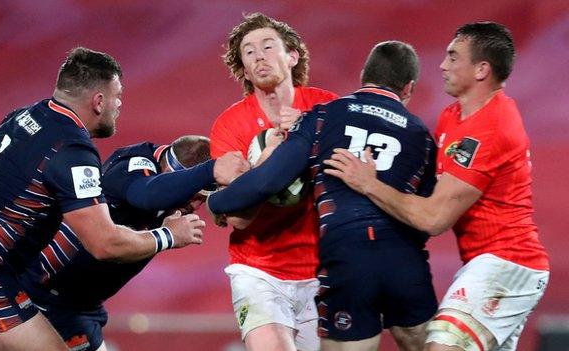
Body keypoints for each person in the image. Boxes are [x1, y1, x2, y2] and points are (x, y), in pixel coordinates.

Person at [0, 47, 205, 351]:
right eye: (117, 96)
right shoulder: (73, 151)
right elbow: (104, 243)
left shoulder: (23, 115)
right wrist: (168, 236)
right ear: (98, 102)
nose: (119, 104)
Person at [324, 22, 550, 351]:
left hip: (508, 263)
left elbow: (433, 218)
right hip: (483, 263)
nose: (443, 65)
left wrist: (368, 184)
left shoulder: (492, 128)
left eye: (454, 57)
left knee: (442, 346)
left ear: (482, 69)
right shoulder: (451, 116)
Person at [208, 41, 438, 351]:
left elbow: (266, 181)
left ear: (362, 75)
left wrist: (217, 202)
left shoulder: (325, 115)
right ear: (409, 88)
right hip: (404, 263)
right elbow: (424, 217)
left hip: (347, 257)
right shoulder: (421, 135)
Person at [15, 136, 248, 351]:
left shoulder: (170, 194)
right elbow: (145, 196)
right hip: (39, 292)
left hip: (82, 306)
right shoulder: (133, 165)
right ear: (172, 172)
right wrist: (168, 235)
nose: (195, 206)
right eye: (194, 195)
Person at [209, 12, 338, 351]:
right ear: (244, 68)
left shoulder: (328, 109)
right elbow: (237, 216)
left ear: (292, 56)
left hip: (323, 270)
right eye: (249, 52)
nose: (259, 56)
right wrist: (273, 156)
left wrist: (310, 131)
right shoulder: (230, 125)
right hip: (258, 271)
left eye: (268, 46)